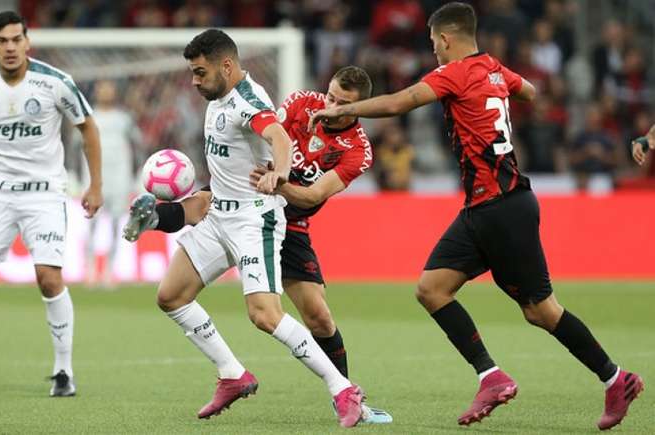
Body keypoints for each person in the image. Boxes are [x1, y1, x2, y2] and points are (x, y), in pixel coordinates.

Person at [308, 2, 643, 430]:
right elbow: (531, 92)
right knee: (432, 289)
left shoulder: (455, 72)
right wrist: (498, 88)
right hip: (487, 207)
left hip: (500, 207)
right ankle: (491, 376)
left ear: (446, 39)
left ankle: (616, 379)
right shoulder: (494, 68)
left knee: (542, 310)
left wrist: (342, 110)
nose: (433, 52)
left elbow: (401, 102)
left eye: (434, 44)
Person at [123, 66, 393, 424]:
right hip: (248, 199)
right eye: (330, 96)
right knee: (204, 208)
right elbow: (271, 137)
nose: (331, 106)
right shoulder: (301, 103)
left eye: (343, 105)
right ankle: (158, 218)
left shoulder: (358, 150)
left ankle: (346, 392)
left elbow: (313, 194)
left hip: (290, 221)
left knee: (318, 317)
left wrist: (278, 181)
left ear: (359, 109)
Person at [0, 11, 103, 397]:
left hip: (45, 194)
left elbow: (88, 128)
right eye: (3, 41)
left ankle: (63, 371)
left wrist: (95, 186)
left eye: (17, 39)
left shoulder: (55, 83)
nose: (10, 47)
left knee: (48, 278)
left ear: (28, 42)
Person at [81, 79, 142, 288]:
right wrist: (73, 172)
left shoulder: (124, 119)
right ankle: (88, 269)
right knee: (92, 223)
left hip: (119, 177)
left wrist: (136, 174)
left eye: (110, 87)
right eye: (102, 87)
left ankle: (109, 270)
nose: (106, 91)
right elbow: (75, 146)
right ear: (96, 91)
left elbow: (137, 146)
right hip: (94, 178)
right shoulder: (88, 118)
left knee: (117, 225)